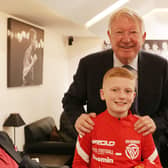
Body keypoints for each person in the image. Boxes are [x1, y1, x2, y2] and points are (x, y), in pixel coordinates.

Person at [62, 8, 168, 166]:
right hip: (102, 156)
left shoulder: (161, 67)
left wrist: (155, 122)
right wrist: (78, 118)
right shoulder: (89, 65)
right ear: (109, 36)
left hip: (151, 154)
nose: (126, 39)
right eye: (119, 32)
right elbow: (70, 100)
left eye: (133, 32)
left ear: (143, 37)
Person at [72, 67, 162, 168]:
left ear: (133, 96)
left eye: (127, 91)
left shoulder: (141, 126)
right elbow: (78, 164)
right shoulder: (89, 125)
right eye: (115, 90)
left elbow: (156, 164)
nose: (122, 96)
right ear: (102, 94)